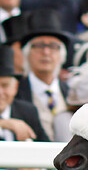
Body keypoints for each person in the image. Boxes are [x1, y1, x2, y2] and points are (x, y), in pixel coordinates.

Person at [15, 9, 72, 141]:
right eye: (39, 45)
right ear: (27, 53)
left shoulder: (71, 94)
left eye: (53, 46)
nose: (46, 52)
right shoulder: (14, 93)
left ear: (61, 54)